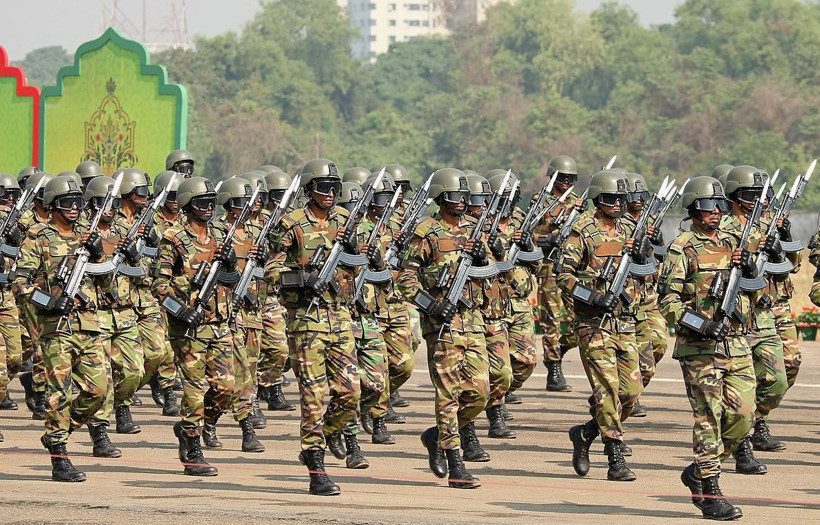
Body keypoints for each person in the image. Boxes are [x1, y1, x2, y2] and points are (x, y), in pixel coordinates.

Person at [658, 176, 754, 520]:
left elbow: (755, 295)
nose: (716, 212)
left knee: (744, 417)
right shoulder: (682, 247)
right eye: (708, 207)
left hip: (737, 343)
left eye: (720, 206)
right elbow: (667, 300)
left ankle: (697, 471)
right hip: (700, 349)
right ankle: (710, 491)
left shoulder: (734, 242)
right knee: (708, 419)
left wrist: (752, 271)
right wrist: (700, 323)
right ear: (695, 210)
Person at [271, 158, 362, 496]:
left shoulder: (346, 220)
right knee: (314, 396)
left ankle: (329, 432)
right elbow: (269, 269)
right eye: (324, 188)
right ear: (309, 189)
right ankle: (316, 463)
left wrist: (357, 250)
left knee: (351, 392)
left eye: (335, 188)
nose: (330, 193)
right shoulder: (292, 223)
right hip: (306, 320)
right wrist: (302, 278)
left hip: (339, 317)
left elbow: (367, 263)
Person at [14, 175, 112, 481]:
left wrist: (99, 254)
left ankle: (59, 431)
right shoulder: (39, 238)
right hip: (57, 326)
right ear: (53, 206)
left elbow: (108, 285)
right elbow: (19, 282)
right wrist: (48, 301)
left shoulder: (88, 235)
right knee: (59, 392)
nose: (73, 208)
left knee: (98, 392)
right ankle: (59, 455)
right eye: (66, 203)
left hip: (89, 324)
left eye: (77, 203)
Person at [400, 167, 489, 489]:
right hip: (442, 326)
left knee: (479, 394)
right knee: (448, 396)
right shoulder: (427, 232)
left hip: (473, 322)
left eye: (465, 197)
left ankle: (436, 435)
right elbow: (405, 280)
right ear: (441, 198)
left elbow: (491, 278)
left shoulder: (476, 230)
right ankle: (455, 462)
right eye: (455, 197)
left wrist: (482, 261)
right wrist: (431, 305)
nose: (463, 203)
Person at [558, 169, 646, 482]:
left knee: (631, 392)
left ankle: (586, 433)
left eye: (621, 199)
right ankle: (615, 454)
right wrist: (594, 297)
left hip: (624, 321)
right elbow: (564, 276)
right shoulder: (581, 230)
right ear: (599, 199)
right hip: (592, 323)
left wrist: (643, 256)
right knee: (607, 388)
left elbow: (647, 274)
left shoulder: (632, 229)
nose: (618, 204)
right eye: (611, 199)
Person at [154, 176, 236, 477]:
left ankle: (199, 423)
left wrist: (229, 266)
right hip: (189, 327)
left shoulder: (222, 233)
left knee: (226, 388)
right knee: (194, 390)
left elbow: (232, 281)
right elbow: (158, 285)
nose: (208, 208)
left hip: (220, 323)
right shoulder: (173, 238)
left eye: (211, 202)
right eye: (202, 203)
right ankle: (192, 446)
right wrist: (184, 300)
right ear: (189, 206)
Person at [720, 165, 791, 471]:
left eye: (761, 195)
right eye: (752, 194)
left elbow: (791, 267)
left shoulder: (767, 225)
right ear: (736, 197)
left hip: (762, 317)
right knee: (740, 390)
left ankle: (756, 419)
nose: (759, 200)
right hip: (734, 318)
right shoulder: (720, 228)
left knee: (777, 381)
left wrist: (779, 249)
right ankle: (742, 445)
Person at [212, 176, 266, 452]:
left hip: (252, 312)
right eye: (243, 202)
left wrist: (267, 258)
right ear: (230, 205)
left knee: (249, 372)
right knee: (230, 377)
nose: (250, 207)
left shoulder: (258, 231)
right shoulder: (218, 232)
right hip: (227, 312)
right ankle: (244, 428)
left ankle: (214, 421)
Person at [534, 155, 580, 392]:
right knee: (551, 319)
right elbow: (525, 236)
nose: (566, 182)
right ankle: (553, 369)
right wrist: (548, 239)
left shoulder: (579, 203)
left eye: (571, 178)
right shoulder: (540, 202)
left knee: (579, 317)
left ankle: (559, 349)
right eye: (562, 178)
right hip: (549, 268)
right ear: (552, 177)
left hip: (571, 267)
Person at [623, 172, 667, 417]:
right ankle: (628, 391)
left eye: (642, 195)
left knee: (658, 345)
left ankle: (632, 387)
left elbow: (661, 263)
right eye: (633, 195)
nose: (638, 200)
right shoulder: (617, 225)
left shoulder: (651, 222)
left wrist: (658, 245)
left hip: (648, 297)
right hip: (628, 299)